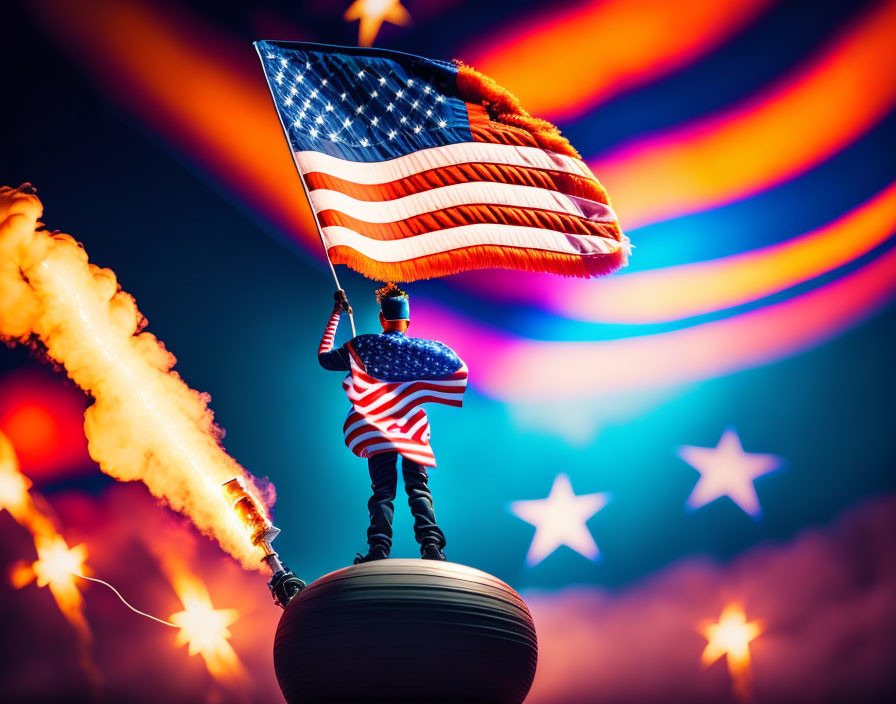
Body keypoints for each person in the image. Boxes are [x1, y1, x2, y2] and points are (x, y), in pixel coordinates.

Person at [318, 283, 467, 564]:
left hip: (377, 429)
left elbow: (325, 358)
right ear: (407, 322)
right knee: (419, 488)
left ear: (382, 319)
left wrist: (336, 313)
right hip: (412, 429)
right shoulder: (423, 350)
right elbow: (455, 364)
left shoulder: (364, 345)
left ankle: (378, 550)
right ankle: (431, 547)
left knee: (383, 491)